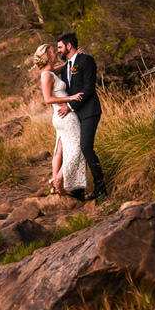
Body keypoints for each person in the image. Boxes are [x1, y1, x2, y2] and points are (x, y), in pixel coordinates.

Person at [56, 31, 105, 200]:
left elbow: (89, 89)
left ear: (69, 46)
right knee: (75, 149)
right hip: (75, 115)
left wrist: (69, 106)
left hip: (90, 111)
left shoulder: (86, 60)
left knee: (85, 147)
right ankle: (77, 189)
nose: (58, 51)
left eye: (60, 47)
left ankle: (101, 186)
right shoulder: (65, 68)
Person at [34, 42, 85, 198]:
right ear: (48, 56)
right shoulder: (46, 76)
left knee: (59, 151)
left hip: (60, 117)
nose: (56, 53)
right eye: (53, 52)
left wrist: (74, 58)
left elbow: (61, 69)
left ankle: (56, 188)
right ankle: (57, 180)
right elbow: (47, 99)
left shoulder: (50, 72)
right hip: (65, 117)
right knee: (78, 149)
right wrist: (71, 98)